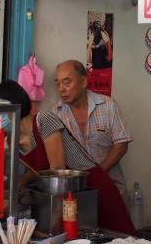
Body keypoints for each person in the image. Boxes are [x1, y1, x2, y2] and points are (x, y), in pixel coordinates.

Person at [0, 78, 137, 235]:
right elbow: (39, 168)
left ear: (14, 103)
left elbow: (57, 170)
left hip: (90, 188)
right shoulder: (13, 140)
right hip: (64, 195)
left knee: (118, 240)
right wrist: (22, 181)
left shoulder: (43, 120)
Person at [53, 60, 131, 200]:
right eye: (58, 84)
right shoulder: (55, 114)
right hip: (75, 195)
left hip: (112, 189)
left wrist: (97, 174)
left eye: (66, 82)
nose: (61, 89)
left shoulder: (107, 106)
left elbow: (122, 144)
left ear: (83, 81)